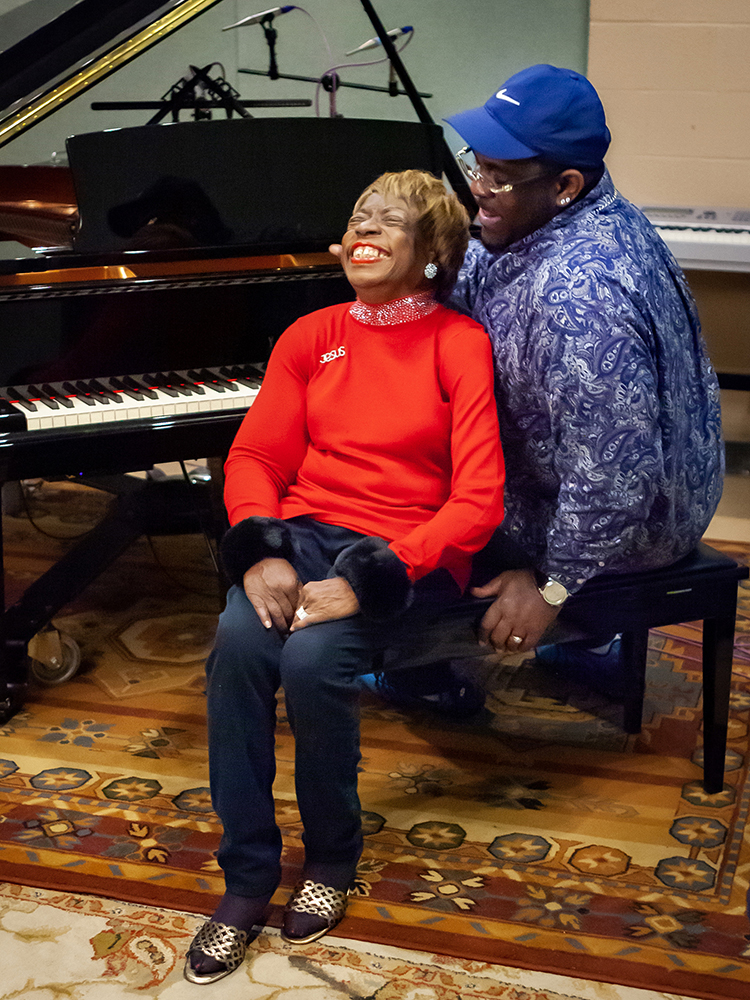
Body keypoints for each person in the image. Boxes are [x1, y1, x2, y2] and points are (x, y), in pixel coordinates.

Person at [183, 169, 505, 984]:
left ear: (432, 254)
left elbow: (479, 501)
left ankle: (331, 859)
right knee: (238, 646)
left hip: (400, 553)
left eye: (389, 220)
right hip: (300, 539)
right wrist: (261, 552)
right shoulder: (310, 334)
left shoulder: (459, 344)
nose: (365, 228)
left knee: (313, 661)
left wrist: (370, 578)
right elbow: (256, 457)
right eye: (360, 215)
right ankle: (247, 879)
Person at [377, 63, 723, 707]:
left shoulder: (581, 296)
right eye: (475, 165)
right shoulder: (573, 216)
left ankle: (416, 660)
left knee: (399, 482)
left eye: (498, 177)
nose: (476, 188)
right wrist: (407, 269)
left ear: (565, 185)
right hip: (660, 491)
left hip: (633, 527)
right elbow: (478, 278)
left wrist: (553, 587)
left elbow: (615, 477)